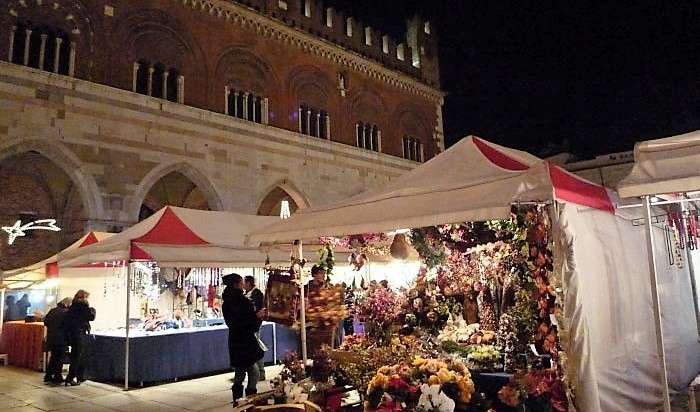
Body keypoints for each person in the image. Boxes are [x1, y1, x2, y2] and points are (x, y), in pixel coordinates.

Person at [222, 273, 266, 403]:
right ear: (236, 284)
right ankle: (250, 400)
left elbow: (234, 322)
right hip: (245, 341)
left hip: (235, 341)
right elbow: (250, 324)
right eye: (241, 282)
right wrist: (257, 316)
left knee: (240, 371)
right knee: (254, 372)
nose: (243, 285)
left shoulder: (226, 303)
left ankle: (237, 401)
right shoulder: (243, 301)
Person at [64, 290, 96, 386]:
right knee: (77, 356)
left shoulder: (72, 307)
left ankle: (78, 376)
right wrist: (92, 310)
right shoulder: (83, 306)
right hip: (79, 333)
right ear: (83, 297)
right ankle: (71, 377)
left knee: (77, 355)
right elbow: (91, 317)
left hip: (72, 334)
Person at [43, 298, 71, 384]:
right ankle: (57, 376)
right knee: (60, 358)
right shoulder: (66, 313)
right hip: (61, 339)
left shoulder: (53, 310)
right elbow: (68, 326)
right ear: (67, 304)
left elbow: (46, 321)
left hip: (51, 337)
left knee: (53, 357)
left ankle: (48, 375)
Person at [244, 275, 266, 381]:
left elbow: (257, 310)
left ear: (248, 283)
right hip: (248, 325)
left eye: (244, 282)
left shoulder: (257, 294)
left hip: (255, 325)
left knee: (256, 346)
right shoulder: (245, 294)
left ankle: (261, 372)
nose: (243, 285)